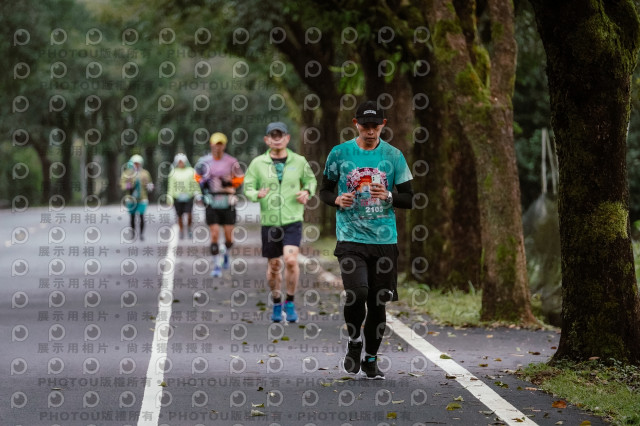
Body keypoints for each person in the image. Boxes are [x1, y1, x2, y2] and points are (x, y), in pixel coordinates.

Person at [320, 100, 414, 379]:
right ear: (356, 124)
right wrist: (337, 199)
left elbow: (410, 198)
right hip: (350, 238)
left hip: (384, 241)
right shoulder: (339, 154)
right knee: (357, 293)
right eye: (365, 126)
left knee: (377, 302)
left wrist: (388, 195)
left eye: (375, 126)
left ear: (383, 125)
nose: (370, 131)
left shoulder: (394, 156)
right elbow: (324, 191)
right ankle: (354, 343)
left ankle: (371, 358)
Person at [244, 122, 317, 323]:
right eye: (272, 135)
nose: (276, 138)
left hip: (293, 218)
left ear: (287, 138)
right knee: (275, 265)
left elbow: (311, 181)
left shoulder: (299, 161)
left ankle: (290, 302)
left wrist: (307, 192)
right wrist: (255, 194)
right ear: (266, 139)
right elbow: (248, 186)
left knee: (291, 260)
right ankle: (277, 301)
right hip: (270, 221)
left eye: (280, 134)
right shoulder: (258, 163)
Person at [194, 132, 244, 277]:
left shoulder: (231, 161)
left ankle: (226, 253)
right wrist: (202, 184)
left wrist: (230, 182)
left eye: (221, 144)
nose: (218, 147)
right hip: (212, 200)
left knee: (229, 237)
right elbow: (196, 176)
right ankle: (216, 265)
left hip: (228, 200)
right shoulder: (204, 161)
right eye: (216, 144)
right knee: (214, 234)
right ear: (211, 145)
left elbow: (240, 178)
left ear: (224, 146)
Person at [120, 154, 154, 242]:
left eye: (138, 163)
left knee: (142, 216)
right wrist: (129, 185)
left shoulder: (145, 173)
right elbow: (122, 185)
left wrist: (149, 186)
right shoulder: (127, 173)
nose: (136, 165)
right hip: (131, 199)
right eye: (135, 163)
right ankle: (133, 233)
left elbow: (150, 184)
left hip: (142, 198)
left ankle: (142, 234)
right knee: (132, 217)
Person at [167, 153, 200, 239]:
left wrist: (198, 194)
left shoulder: (191, 171)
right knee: (179, 215)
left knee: (189, 214)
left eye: (182, 162)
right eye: (179, 162)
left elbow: (195, 183)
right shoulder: (173, 172)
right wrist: (169, 198)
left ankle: (189, 227)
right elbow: (171, 186)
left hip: (189, 196)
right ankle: (181, 230)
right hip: (177, 197)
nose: (181, 163)